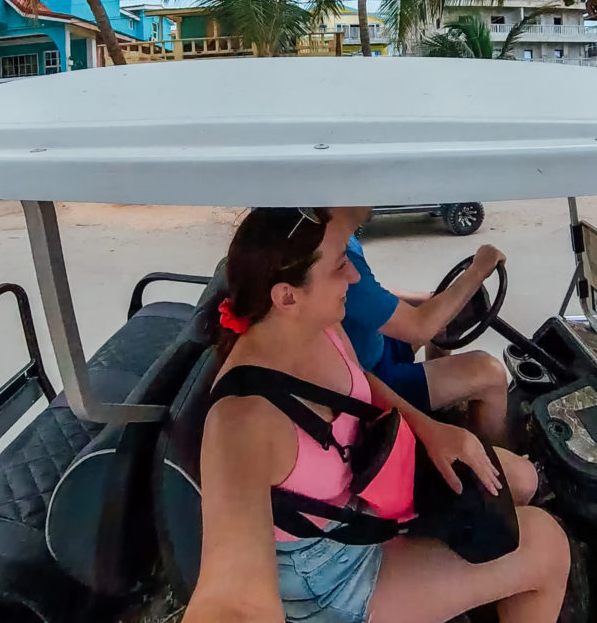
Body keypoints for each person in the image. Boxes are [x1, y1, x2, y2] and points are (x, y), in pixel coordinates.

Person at [183, 207, 569, 623]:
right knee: (546, 545)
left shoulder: (319, 325)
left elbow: (359, 381)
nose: (352, 277)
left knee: (520, 480)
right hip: (331, 575)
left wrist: (430, 428)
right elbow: (233, 598)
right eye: (340, 267)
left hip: (370, 488)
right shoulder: (241, 422)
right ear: (287, 296)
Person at [337, 207, 510, 445]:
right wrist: (479, 270)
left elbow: (371, 294)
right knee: (492, 373)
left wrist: (428, 300)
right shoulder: (337, 257)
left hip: (371, 348)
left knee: (440, 317)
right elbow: (419, 327)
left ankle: (441, 402)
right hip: (369, 382)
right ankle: (497, 464)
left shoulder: (341, 239)